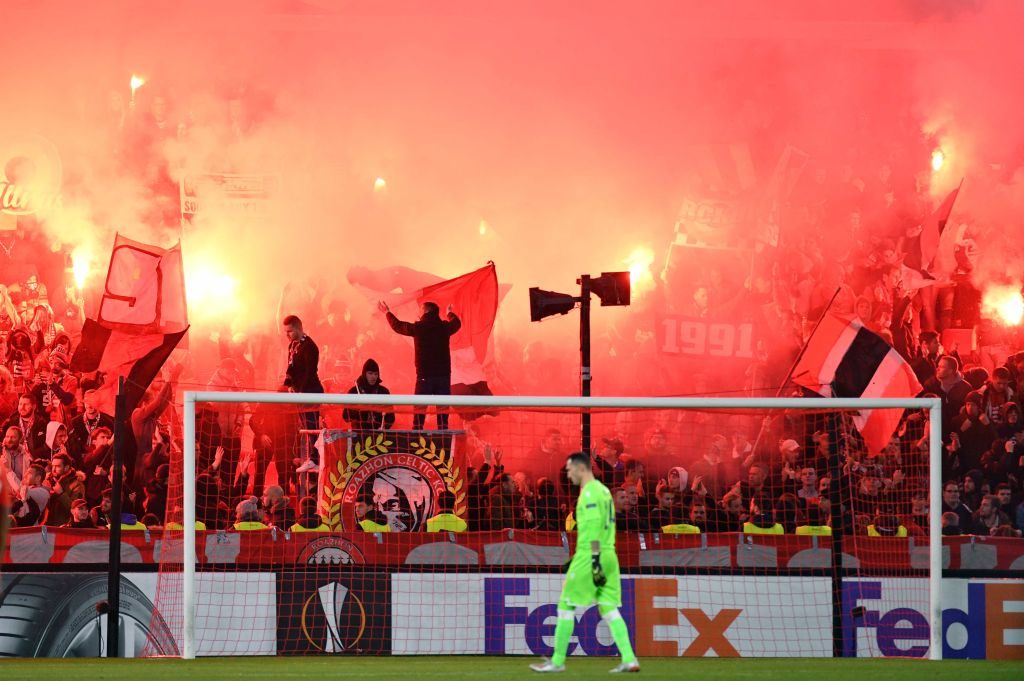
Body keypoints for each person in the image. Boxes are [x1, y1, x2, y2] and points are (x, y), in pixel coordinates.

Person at [529, 452, 638, 673]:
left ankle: (557, 661)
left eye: (570, 471)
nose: (569, 476)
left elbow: (594, 530)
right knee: (609, 608)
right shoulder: (605, 491)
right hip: (610, 555)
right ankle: (629, 658)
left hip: (591, 555)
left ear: (580, 468)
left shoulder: (588, 494)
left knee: (565, 605)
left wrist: (593, 562)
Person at [378, 300, 461, 431]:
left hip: (424, 377)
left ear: (426, 311)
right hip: (443, 377)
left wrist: (387, 312)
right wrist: (449, 313)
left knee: (419, 411)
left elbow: (398, 326)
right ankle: (444, 437)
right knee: (443, 411)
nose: (418, 312)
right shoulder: (444, 327)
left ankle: (417, 436)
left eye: (420, 310)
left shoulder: (419, 327)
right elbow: (457, 323)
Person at [283, 315, 324, 473]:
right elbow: (291, 367)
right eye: (285, 332)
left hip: (311, 392)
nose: (287, 335)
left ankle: (315, 459)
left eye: (290, 331)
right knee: (305, 427)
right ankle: (311, 458)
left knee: (312, 426)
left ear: (299, 328)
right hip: (299, 393)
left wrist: (300, 391)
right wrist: (288, 384)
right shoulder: (293, 345)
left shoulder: (310, 346)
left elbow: (310, 372)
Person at [343, 358, 395, 431]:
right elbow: (346, 417)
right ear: (364, 373)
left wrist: (385, 427)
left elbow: (391, 417)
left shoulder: (384, 392)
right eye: (370, 373)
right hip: (358, 435)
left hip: (379, 434)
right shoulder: (354, 391)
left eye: (375, 374)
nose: (373, 377)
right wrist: (356, 409)